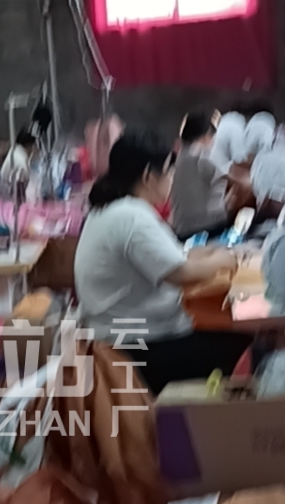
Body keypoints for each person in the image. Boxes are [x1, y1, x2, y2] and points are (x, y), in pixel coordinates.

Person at [73, 132, 248, 394]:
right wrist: (226, 259)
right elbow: (182, 273)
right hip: (137, 348)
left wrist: (212, 252)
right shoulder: (132, 216)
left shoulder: (111, 210)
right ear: (148, 175)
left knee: (221, 328)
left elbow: (174, 256)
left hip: (117, 340)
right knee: (243, 344)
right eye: (168, 171)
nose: (172, 178)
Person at [170, 112, 229, 240]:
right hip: (208, 227)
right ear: (206, 134)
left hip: (181, 228)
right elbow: (230, 178)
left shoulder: (180, 156)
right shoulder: (202, 154)